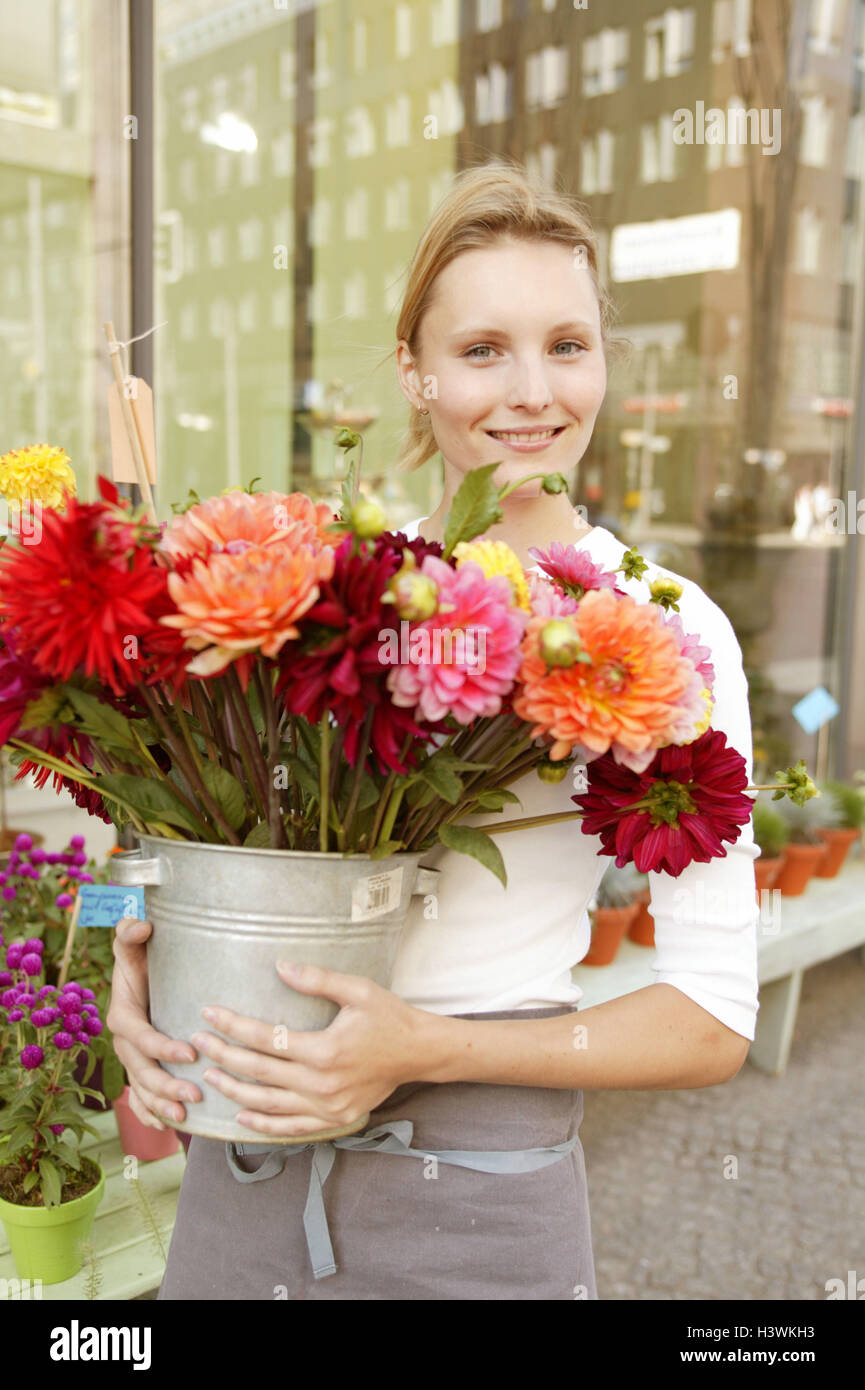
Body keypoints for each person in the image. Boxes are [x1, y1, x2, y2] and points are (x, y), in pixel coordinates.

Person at [108, 161, 760, 1301]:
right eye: (479, 350)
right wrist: (132, 969)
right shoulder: (319, 584)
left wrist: (428, 1047)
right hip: (241, 1191)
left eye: (566, 345)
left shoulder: (660, 633)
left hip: (478, 1216)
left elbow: (710, 1019)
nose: (531, 392)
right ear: (413, 371)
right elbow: (150, 833)